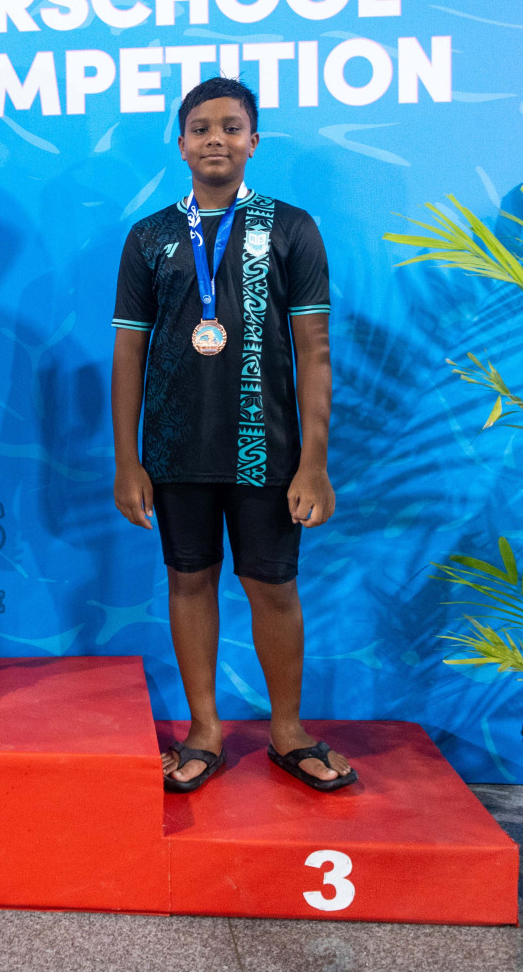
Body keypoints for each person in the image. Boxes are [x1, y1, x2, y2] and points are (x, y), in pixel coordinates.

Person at [110, 77, 357, 794]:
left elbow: (314, 351)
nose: (215, 138)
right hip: (177, 450)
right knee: (188, 581)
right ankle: (205, 730)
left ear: (254, 140)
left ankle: (288, 731)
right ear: (180, 141)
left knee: (272, 587)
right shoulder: (150, 236)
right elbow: (129, 353)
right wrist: (128, 460)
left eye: (231, 126)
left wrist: (314, 463)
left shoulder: (291, 227)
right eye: (201, 126)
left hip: (269, 451)